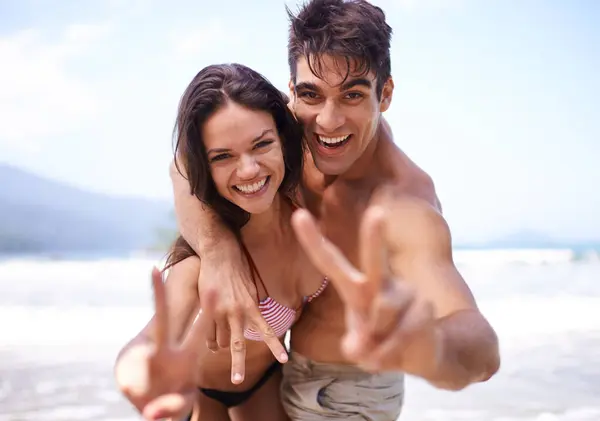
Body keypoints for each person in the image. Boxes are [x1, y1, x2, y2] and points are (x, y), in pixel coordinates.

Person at [170, 0, 501, 420]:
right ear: (292, 91)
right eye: (311, 94)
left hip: (347, 394)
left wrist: (429, 348)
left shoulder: (400, 204)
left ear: (385, 94)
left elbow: (478, 345)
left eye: (352, 95)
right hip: (276, 372)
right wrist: (218, 252)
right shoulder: (284, 136)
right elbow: (183, 165)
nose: (327, 120)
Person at [114, 62, 329, 421]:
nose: (248, 170)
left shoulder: (310, 212)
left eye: (261, 145)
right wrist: (138, 375)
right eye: (223, 156)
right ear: (204, 166)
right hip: (197, 392)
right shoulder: (200, 264)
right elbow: (144, 343)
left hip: (264, 383)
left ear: (282, 139)